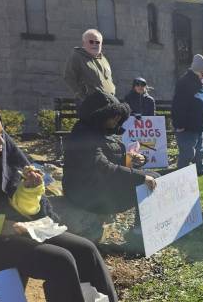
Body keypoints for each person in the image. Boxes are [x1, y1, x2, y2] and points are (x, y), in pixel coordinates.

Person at [0, 101, 132, 302]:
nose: (0, 142)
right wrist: (2, 225)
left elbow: (21, 207)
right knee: (59, 261)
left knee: (85, 249)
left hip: (14, 230)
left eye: (2, 134)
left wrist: (29, 190)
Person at [63, 92, 159, 244]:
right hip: (86, 193)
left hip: (97, 184)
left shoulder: (98, 130)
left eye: (119, 116)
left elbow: (111, 160)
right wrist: (140, 177)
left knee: (154, 176)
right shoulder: (83, 136)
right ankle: (138, 234)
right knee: (148, 182)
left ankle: (142, 229)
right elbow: (103, 167)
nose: (117, 120)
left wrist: (132, 159)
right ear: (100, 115)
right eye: (114, 116)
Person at [172, 54, 203, 176]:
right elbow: (178, 106)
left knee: (200, 150)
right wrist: (179, 125)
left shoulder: (201, 82)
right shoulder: (184, 83)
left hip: (198, 125)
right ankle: (182, 175)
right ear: (196, 71)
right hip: (187, 126)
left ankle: (199, 169)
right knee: (187, 153)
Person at [64, 29, 116, 101]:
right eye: (91, 42)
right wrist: (83, 97)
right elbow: (69, 77)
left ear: (101, 44)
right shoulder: (77, 56)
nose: (94, 44)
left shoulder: (103, 59)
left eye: (97, 42)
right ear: (84, 43)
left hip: (109, 100)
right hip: (90, 102)